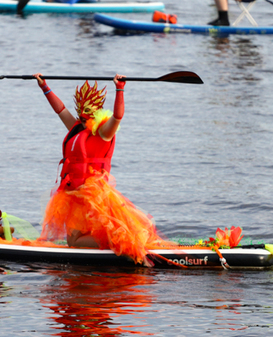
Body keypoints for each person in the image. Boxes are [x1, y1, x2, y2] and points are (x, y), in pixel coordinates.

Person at [33, 73, 170, 266]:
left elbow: (118, 116)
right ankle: (113, 241)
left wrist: (119, 89)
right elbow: (60, 110)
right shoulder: (77, 128)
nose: (80, 117)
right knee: (73, 242)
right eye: (79, 113)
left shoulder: (104, 134)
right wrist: (44, 87)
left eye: (84, 114)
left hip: (93, 195)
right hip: (73, 194)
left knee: (77, 241)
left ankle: (122, 240)